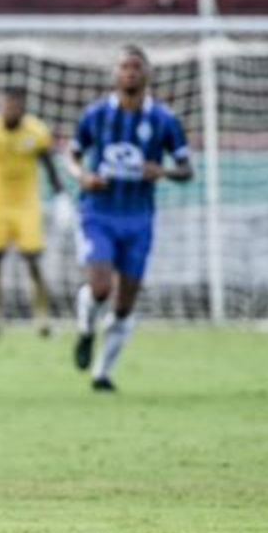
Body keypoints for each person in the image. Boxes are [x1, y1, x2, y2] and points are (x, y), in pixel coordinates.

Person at [66, 45, 193, 391]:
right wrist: (82, 176)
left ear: (147, 73)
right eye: (124, 66)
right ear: (115, 73)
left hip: (139, 218)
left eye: (136, 66)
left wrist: (163, 171)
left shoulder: (164, 119)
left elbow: (186, 169)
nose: (130, 72)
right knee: (101, 287)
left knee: (124, 306)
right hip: (98, 212)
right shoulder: (96, 114)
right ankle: (86, 329)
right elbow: (72, 155)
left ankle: (102, 373)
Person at [0, 86, 68, 338]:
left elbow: (50, 166)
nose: (9, 110)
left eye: (13, 105)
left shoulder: (36, 131)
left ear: (22, 107)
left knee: (33, 261)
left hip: (27, 204)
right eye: (5, 105)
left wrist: (61, 196)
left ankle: (43, 318)